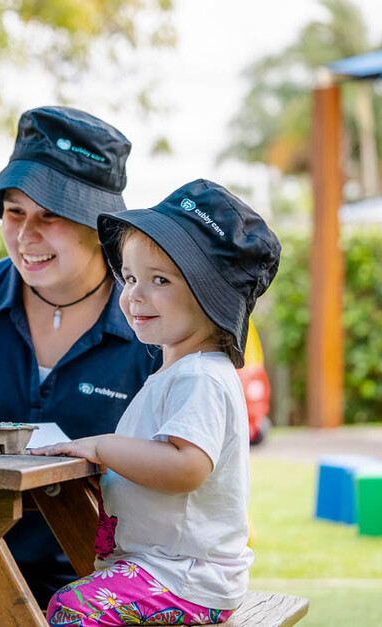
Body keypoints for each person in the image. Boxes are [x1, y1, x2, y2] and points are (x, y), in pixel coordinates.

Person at [0, 106, 161, 608]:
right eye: (15, 211)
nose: (26, 236)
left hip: (121, 572)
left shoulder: (155, 322)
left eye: (51, 215)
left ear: (100, 228)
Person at [30, 179, 281, 626]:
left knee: (74, 608)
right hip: (166, 571)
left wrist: (103, 448)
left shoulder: (200, 376)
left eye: (159, 280)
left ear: (211, 297)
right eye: (129, 278)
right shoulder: (176, 373)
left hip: (186, 579)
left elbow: (186, 467)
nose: (134, 295)